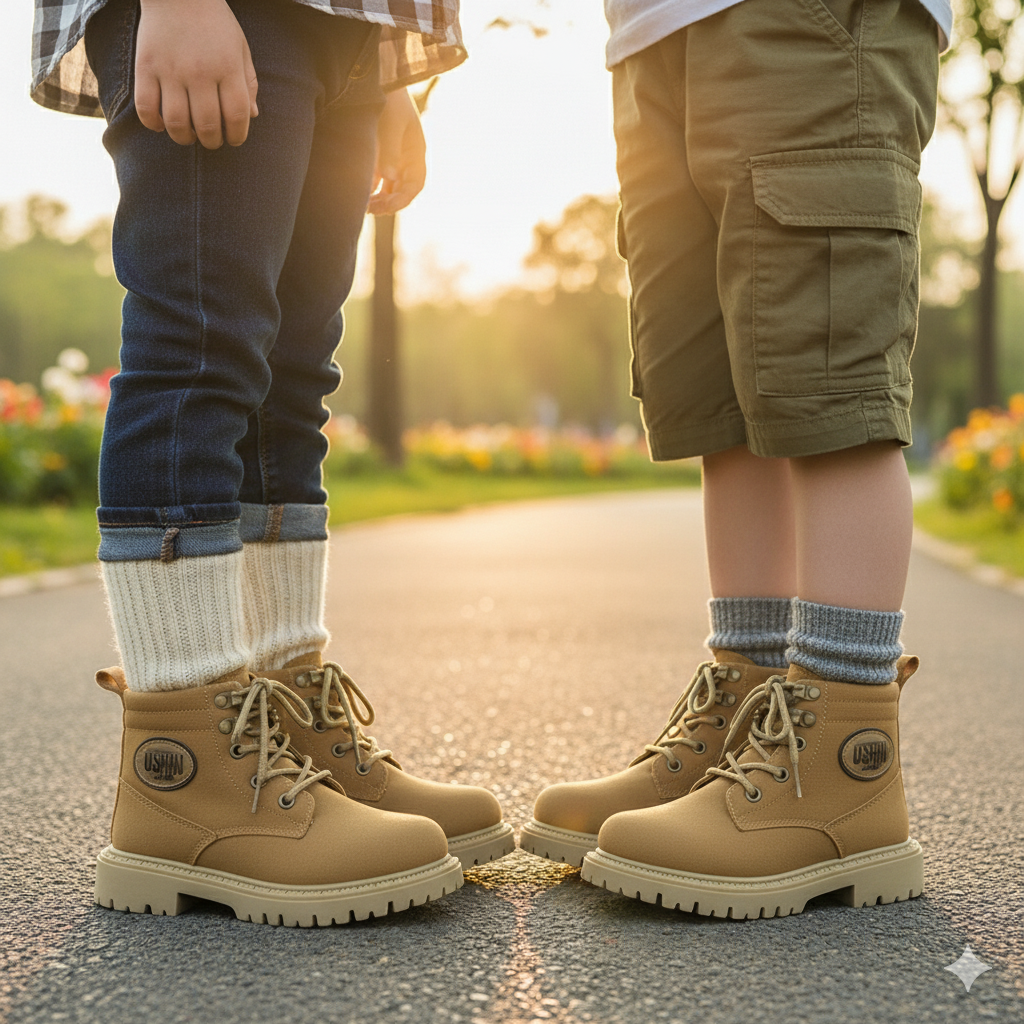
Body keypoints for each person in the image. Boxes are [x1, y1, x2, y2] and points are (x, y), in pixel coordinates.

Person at [31, 0, 513, 927]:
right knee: (197, 347)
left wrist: (387, 71)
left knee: (293, 375)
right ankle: (187, 772)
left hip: (346, 31)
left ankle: (284, 717)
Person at [523, 0, 952, 918]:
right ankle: (749, 710)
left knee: (830, 388)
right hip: (651, 34)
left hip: (811, 24)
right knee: (725, 403)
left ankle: (841, 762)